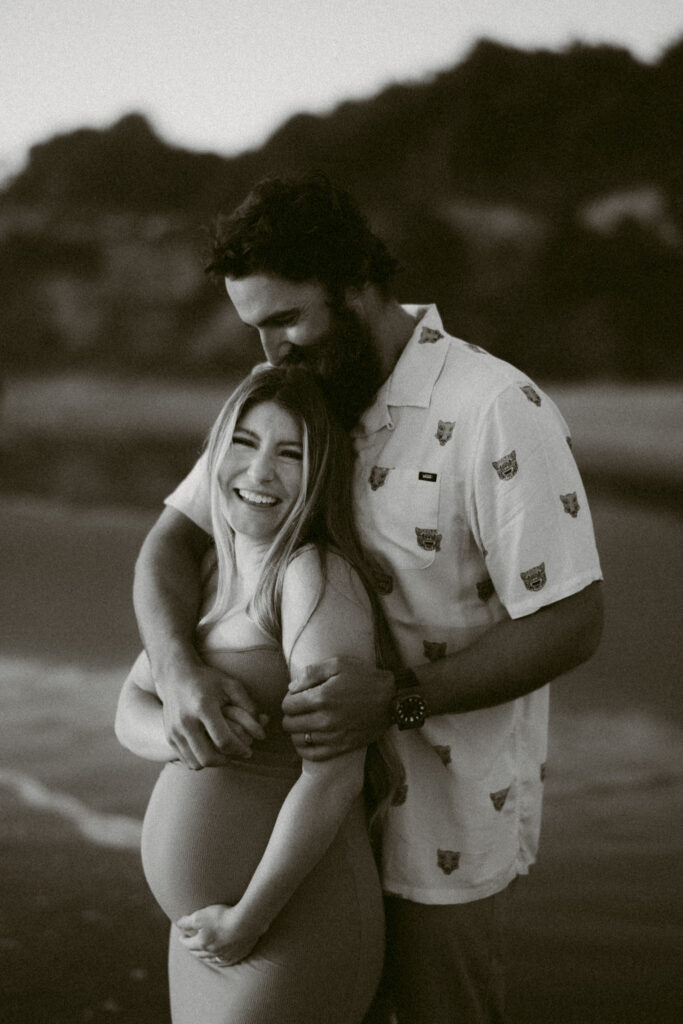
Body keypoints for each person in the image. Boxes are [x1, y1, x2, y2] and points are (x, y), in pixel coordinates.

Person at [133, 174, 604, 1024]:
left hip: (439, 819)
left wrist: (396, 701)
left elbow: (571, 621)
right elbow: (172, 540)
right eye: (256, 327)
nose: (271, 349)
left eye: (286, 318)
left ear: (355, 284)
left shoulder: (494, 407)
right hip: (292, 819)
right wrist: (176, 674)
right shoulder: (296, 399)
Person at [116, 363, 398, 1024]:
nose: (259, 470)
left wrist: (249, 918)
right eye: (244, 443)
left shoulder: (310, 575)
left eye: (289, 453)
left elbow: (333, 781)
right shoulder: (214, 566)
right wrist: (191, 733)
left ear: (319, 473)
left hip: (286, 925)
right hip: (204, 933)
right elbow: (127, 709)